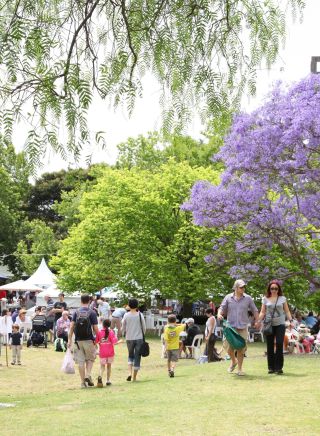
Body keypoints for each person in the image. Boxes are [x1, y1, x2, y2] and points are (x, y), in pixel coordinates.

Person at [217, 279, 259, 376]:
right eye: (241, 287)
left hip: (242, 327)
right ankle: (233, 361)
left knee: (241, 348)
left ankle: (239, 369)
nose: (243, 289)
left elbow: (255, 310)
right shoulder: (228, 297)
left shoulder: (248, 298)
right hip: (230, 327)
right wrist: (219, 314)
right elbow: (222, 308)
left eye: (244, 287)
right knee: (227, 347)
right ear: (235, 288)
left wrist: (257, 321)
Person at [257, 280, 294, 374]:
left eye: (276, 288)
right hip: (269, 324)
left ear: (278, 289)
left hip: (280, 324)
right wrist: (258, 321)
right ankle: (271, 367)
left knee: (279, 344)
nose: (274, 290)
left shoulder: (282, 298)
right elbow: (262, 312)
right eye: (272, 288)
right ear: (269, 289)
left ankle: (279, 368)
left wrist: (291, 320)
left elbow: (287, 311)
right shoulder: (265, 299)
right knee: (269, 346)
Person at [68, 294, 99, 389]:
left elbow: (71, 326)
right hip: (89, 340)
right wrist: (97, 339)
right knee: (90, 358)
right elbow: (96, 328)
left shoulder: (76, 312)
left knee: (81, 361)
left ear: (81, 301)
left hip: (78, 340)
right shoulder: (92, 312)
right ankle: (88, 375)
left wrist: (69, 339)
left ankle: (82, 383)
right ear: (89, 301)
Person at [122, 298, 146, 382]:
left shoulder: (126, 315)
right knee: (137, 357)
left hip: (129, 338)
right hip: (139, 338)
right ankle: (134, 378)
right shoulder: (140, 315)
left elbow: (123, 327)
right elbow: (144, 327)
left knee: (130, 355)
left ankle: (129, 373)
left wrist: (123, 334)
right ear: (137, 305)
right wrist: (143, 334)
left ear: (129, 305)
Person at [95, 319, 121, 387]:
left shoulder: (99, 332)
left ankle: (100, 376)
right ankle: (108, 380)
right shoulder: (111, 332)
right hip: (110, 352)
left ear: (103, 324)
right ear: (109, 325)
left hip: (102, 352)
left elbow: (96, 341)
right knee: (109, 366)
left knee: (102, 366)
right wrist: (120, 341)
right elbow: (114, 342)